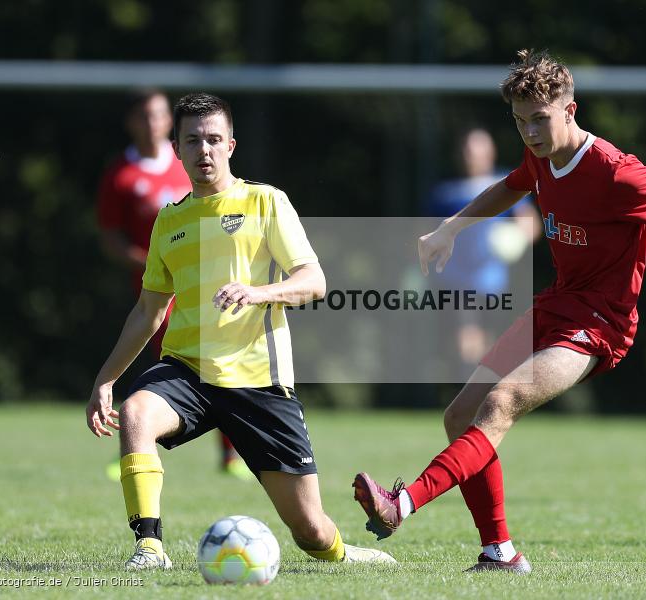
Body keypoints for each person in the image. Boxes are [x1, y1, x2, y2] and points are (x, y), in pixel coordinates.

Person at [353, 49, 646, 572]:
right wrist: (451, 227)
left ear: (571, 110)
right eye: (520, 122)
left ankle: (401, 504)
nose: (530, 133)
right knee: (459, 415)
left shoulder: (616, 173)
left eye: (540, 119)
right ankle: (499, 553)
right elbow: (511, 186)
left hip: (598, 324)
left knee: (500, 402)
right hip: (553, 308)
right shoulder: (540, 156)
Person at [85, 92, 395, 570]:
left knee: (311, 533)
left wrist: (258, 293)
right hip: (188, 371)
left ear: (231, 145)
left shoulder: (266, 201)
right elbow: (148, 309)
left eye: (213, 140)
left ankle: (343, 552)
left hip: (259, 381)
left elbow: (314, 281)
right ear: (177, 149)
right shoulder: (169, 221)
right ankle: (148, 547)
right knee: (137, 414)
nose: (203, 150)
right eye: (193, 141)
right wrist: (106, 378)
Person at [96, 88, 250, 481]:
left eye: (160, 115)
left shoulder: (192, 163)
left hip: (211, 283)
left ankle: (232, 454)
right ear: (133, 122)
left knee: (219, 358)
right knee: (172, 360)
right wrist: (151, 263)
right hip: (158, 289)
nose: (154, 122)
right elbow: (110, 236)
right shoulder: (122, 175)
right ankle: (137, 439)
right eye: (146, 115)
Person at [425, 128, 541, 375]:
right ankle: (468, 388)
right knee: (464, 336)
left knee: (485, 339)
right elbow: (428, 233)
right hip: (455, 281)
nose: (471, 157)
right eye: (467, 151)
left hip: (492, 281)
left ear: (490, 154)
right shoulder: (446, 193)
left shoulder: (503, 186)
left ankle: (477, 389)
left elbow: (531, 224)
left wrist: (516, 238)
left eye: (477, 152)